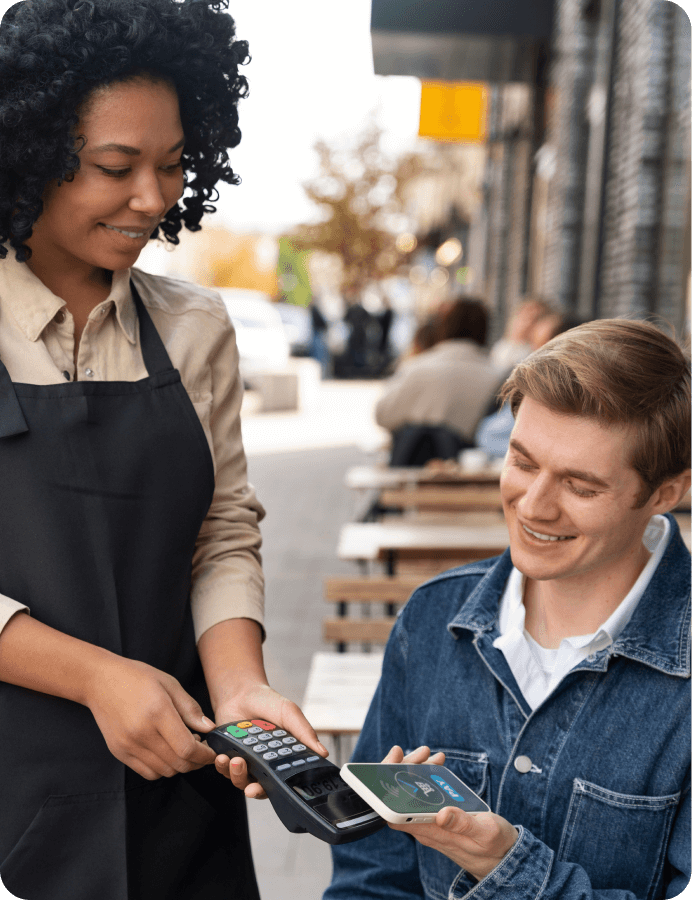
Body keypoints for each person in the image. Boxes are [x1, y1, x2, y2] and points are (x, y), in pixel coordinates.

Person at [0, 2, 326, 898]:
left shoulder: (195, 329)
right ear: (27, 153)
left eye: (174, 163)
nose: (153, 198)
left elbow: (220, 528)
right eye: (116, 166)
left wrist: (241, 690)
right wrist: (98, 679)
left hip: (178, 791)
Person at [325, 318, 691, 900]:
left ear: (667, 493)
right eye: (522, 463)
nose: (534, 507)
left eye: (581, 487)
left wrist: (505, 866)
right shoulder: (432, 617)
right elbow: (371, 876)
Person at [375, 297, 504, 465]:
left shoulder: (417, 367)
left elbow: (382, 414)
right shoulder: (497, 376)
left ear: (444, 326)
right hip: (469, 472)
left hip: (411, 467)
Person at [476, 311, 587, 459]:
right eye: (533, 345)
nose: (532, 355)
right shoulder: (530, 382)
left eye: (541, 347)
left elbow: (489, 436)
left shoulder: (554, 392)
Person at [489, 296, 554, 371]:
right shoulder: (501, 346)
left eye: (534, 318)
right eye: (525, 316)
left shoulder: (538, 353)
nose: (528, 323)